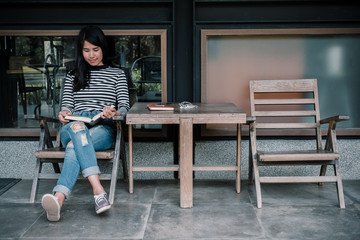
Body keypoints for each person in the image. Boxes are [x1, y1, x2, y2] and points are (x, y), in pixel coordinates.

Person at [41, 25, 130, 222]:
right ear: (81, 51)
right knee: (76, 129)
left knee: (74, 146)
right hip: (73, 125)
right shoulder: (73, 75)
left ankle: (58, 199)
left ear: (103, 48)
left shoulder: (117, 74)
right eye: (86, 50)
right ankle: (98, 191)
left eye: (95, 50)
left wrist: (112, 111)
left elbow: (124, 106)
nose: (91, 55)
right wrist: (64, 114)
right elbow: (66, 108)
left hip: (102, 126)